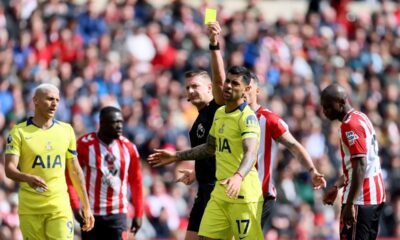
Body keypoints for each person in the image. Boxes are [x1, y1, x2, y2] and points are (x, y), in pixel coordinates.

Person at [148, 66, 264, 240]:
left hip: (243, 193)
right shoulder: (219, 114)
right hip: (219, 192)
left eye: (235, 83)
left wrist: (239, 176)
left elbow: (251, 152)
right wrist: (177, 156)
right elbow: (210, 148)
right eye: (228, 82)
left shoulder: (247, 118)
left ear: (246, 89)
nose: (228, 86)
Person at [4, 83, 94, 240]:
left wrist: (86, 206)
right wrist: (27, 178)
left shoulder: (66, 131)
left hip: (59, 207)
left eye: (57, 100)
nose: (54, 104)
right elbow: (9, 168)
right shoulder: (19, 132)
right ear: (35, 100)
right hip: (30, 208)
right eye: (50, 99)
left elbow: (75, 170)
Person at [245, 72, 326, 230]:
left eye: (249, 88)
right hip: (231, 193)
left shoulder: (270, 120)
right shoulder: (226, 118)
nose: (244, 92)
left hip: (260, 195)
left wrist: (312, 170)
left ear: (257, 91)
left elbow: (294, 145)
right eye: (240, 87)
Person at [171, 22, 225, 240]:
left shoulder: (219, 108)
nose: (190, 91)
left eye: (195, 86)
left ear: (209, 88)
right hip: (203, 189)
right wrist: (195, 173)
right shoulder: (196, 122)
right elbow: (211, 153)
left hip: (218, 190)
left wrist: (214, 44)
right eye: (187, 88)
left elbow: (220, 80)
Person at [67, 106, 144, 240]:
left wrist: (139, 213)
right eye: (115, 122)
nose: (119, 126)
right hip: (91, 213)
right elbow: (71, 176)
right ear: (102, 123)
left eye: (121, 122)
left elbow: (136, 181)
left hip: (117, 213)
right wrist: (75, 206)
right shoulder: (84, 145)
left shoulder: (129, 148)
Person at [320, 84, 385, 240]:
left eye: (328, 107)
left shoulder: (350, 125)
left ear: (341, 102)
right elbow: (358, 166)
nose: (325, 112)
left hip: (361, 198)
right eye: (323, 107)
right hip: (374, 195)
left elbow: (361, 166)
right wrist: (336, 186)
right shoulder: (361, 117)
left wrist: (350, 204)